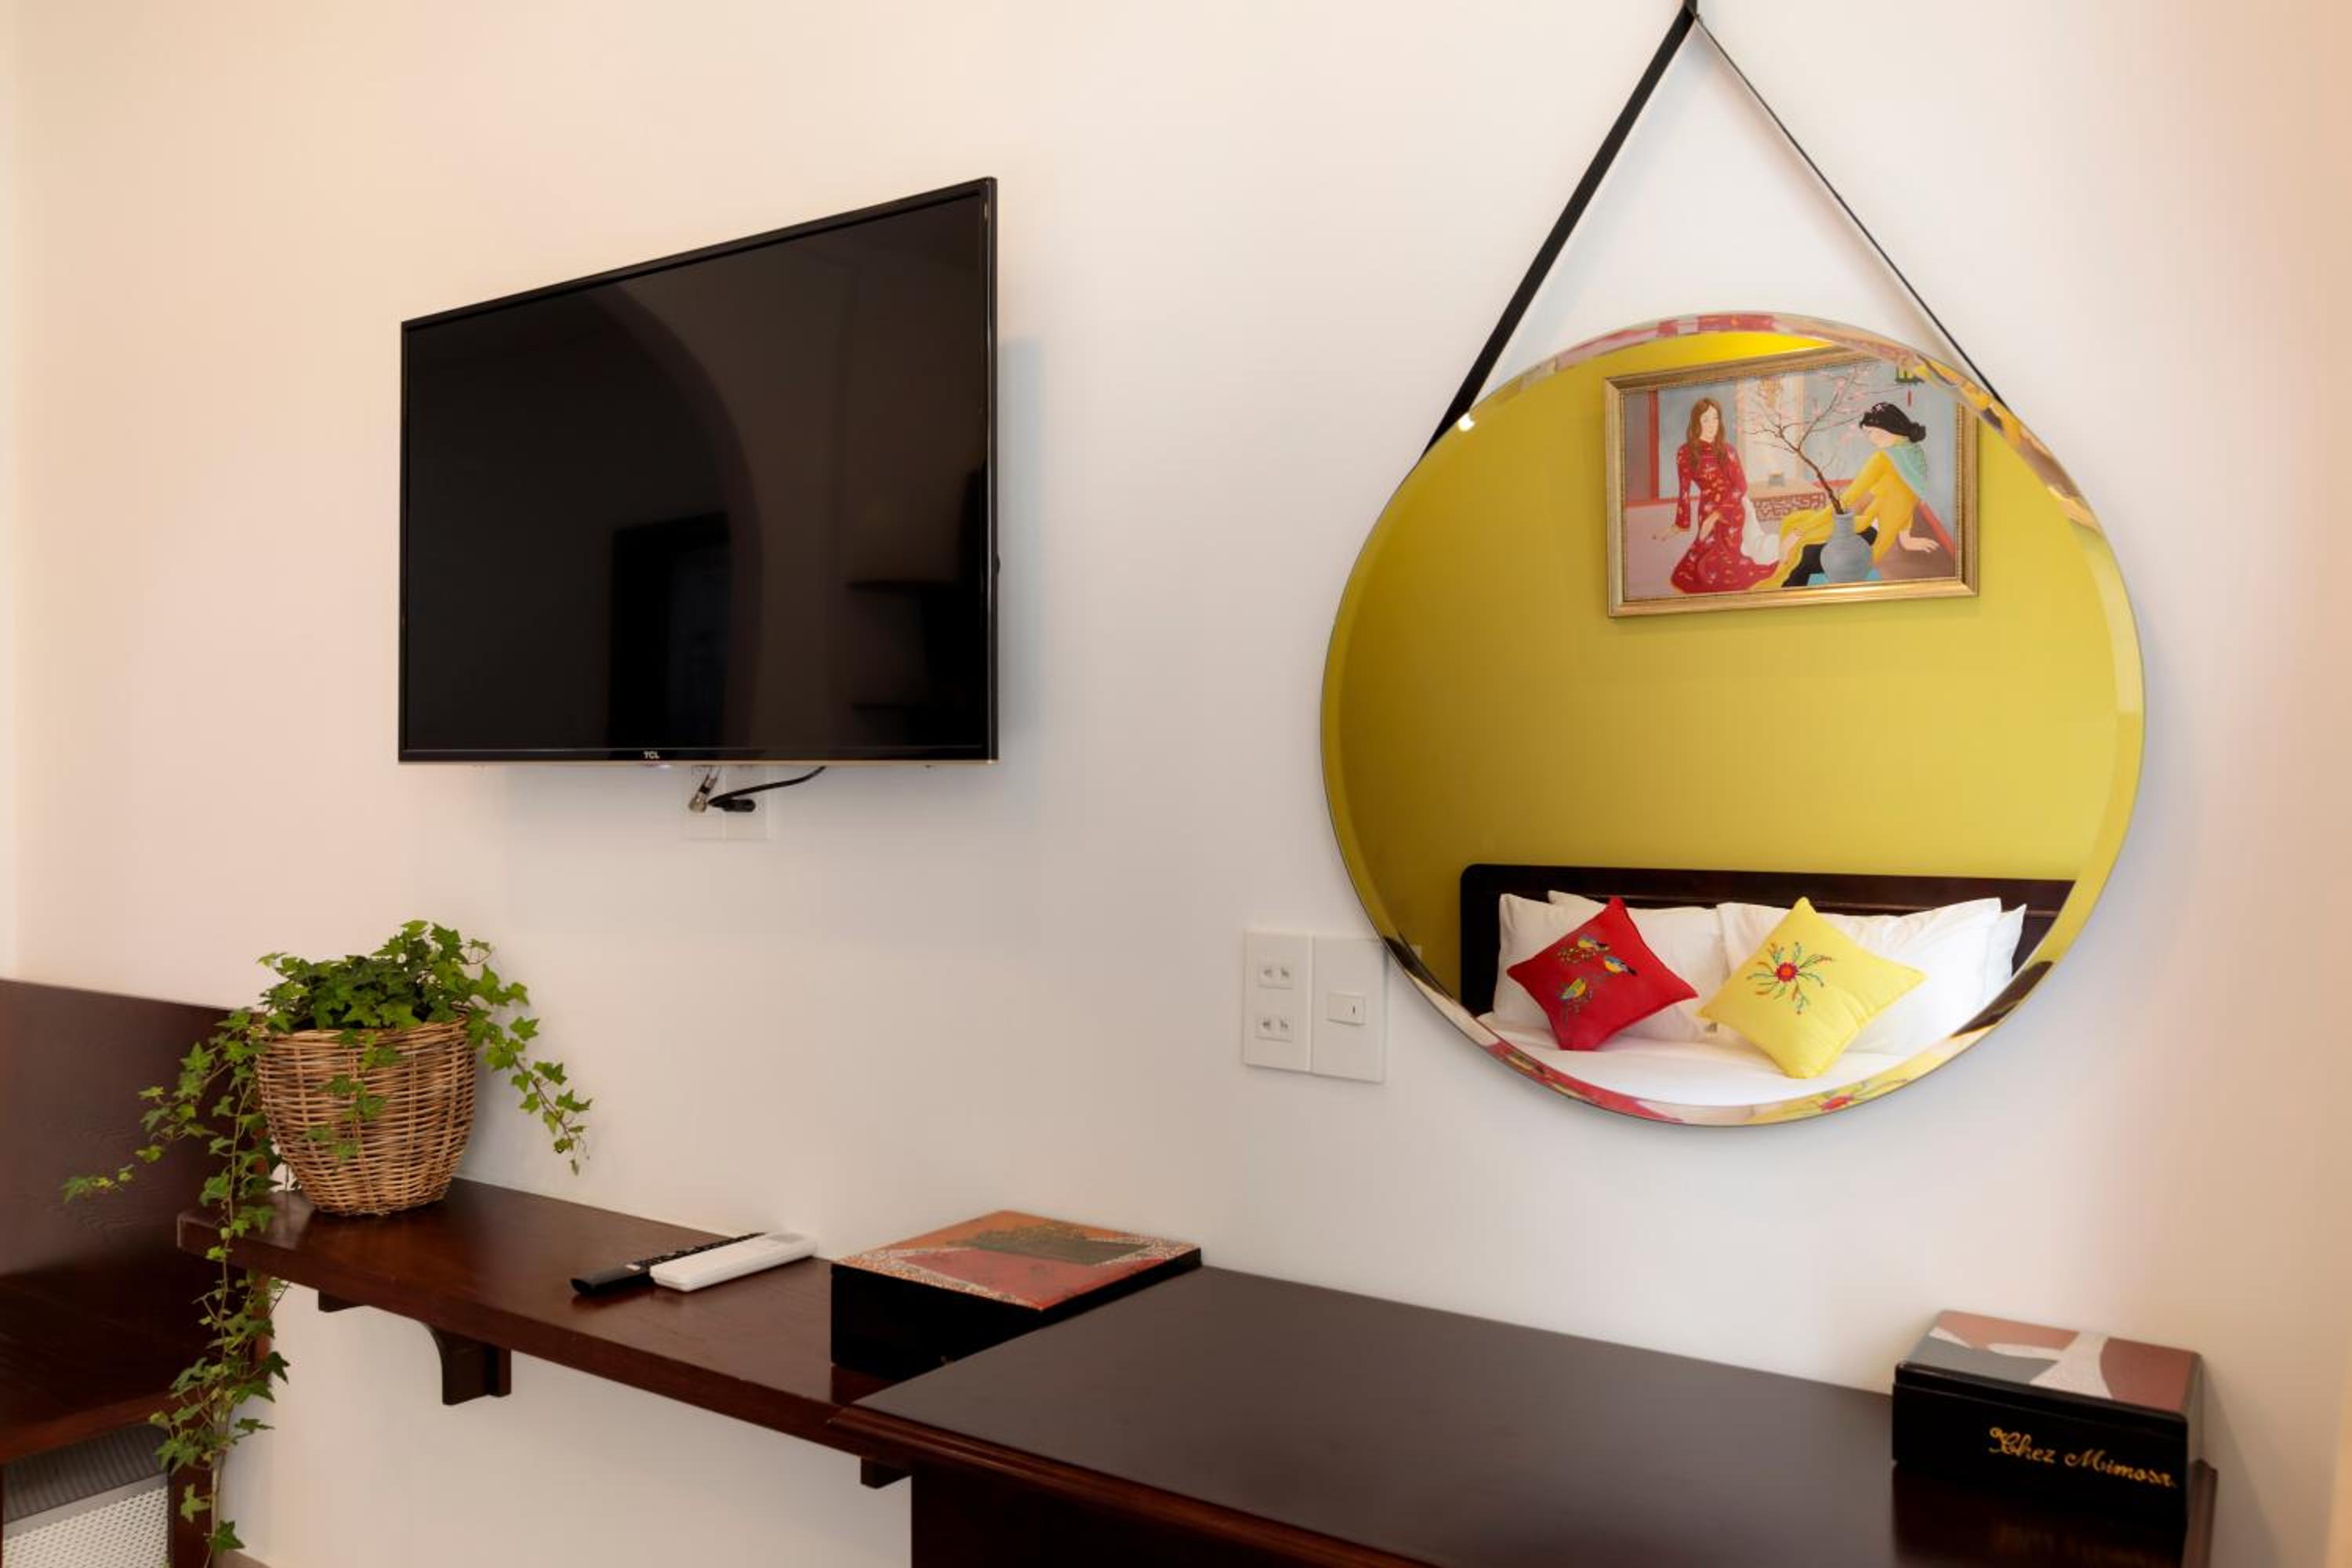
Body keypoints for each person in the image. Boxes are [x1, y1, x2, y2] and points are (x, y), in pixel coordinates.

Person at [1769, 401, 1956, 587]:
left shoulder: (1883, 458)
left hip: (1866, 542)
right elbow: (1907, 499)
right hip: (1874, 535)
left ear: (1886, 428)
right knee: (1793, 522)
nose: (1870, 439)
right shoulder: (1913, 454)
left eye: (1870, 432)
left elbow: (1846, 499)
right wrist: (1905, 537)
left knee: (1801, 548)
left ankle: (1789, 592)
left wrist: (1799, 533)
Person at [1665, 398, 1778, 594]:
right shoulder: (1685, 453)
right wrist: (1680, 524)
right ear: (1696, 423)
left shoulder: (1727, 450)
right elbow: (1684, 490)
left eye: (1715, 418)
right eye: (1706, 419)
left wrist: (1715, 516)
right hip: (1706, 508)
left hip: (1732, 509)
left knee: (1728, 564)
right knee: (1698, 565)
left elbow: (1740, 486)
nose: (1712, 425)